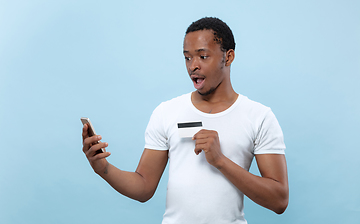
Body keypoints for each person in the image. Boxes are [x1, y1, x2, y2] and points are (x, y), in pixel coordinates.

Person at [82, 17, 289, 224]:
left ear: (228, 57)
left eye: (203, 56)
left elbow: (279, 200)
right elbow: (144, 187)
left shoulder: (259, 117)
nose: (193, 66)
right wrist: (103, 169)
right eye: (187, 58)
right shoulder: (167, 112)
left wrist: (220, 161)